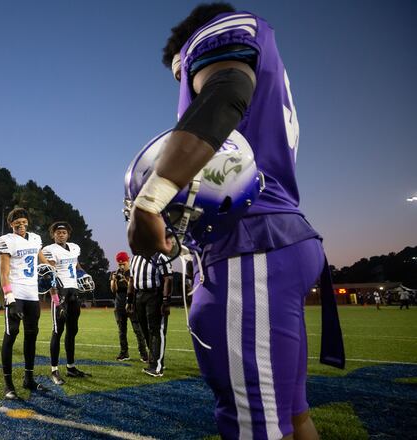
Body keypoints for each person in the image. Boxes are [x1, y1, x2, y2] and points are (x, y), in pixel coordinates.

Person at [127, 3, 344, 438]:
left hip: (250, 245)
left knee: (254, 427)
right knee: (292, 416)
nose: (183, 82)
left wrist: (151, 200)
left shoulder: (218, 40)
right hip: (284, 238)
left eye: (179, 73)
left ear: (185, 49)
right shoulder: (265, 53)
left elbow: (225, 90)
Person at [0, 208, 53, 399]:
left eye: (24, 222)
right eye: (17, 223)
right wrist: (9, 297)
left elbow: (43, 264)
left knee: (31, 336)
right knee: (11, 335)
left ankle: (29, 379)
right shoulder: (6, 240)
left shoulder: (36, 239)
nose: (21, 225)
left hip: (32, 294)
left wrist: (53, 271)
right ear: (11, 224)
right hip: (16, 293)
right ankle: (7, 384)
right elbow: (4, 272)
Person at [42, 221, 91, 385]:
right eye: (57, 232)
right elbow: (50, 275)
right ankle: (54, 370)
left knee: (72, 330)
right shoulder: (50, 250)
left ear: (68, 234)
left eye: (63, 232)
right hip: (60, 292)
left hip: (73, 292)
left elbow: (76, 265)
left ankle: (70, 367)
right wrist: (56, 299)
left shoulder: (74, 247)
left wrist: (84, 274)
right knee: (58, 331)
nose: (61, 234)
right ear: (53, 235)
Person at [130, 253, 173, 377]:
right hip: (139, 296)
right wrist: (129, 300)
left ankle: (156, 367)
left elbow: (168, 279)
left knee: (156, 330)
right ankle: (155, 361)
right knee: (145, 330)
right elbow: (132, 280)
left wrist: (166, 301)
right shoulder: (135, 258)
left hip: (155, 295)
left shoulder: (160, 257)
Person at [110, 252, 147, 362]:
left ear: (128, 261)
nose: (121, 266)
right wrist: (114, 280)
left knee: (138, 330)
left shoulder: (133, 272)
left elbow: (135, 288)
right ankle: (124, 353)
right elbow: (113, 290)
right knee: (122, 331)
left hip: (132, 305)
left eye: (123, 263)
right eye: (119, 264)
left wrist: (126, 280)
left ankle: (144, 353)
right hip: (119, 306)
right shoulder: (114, 273)